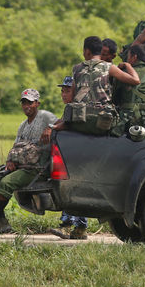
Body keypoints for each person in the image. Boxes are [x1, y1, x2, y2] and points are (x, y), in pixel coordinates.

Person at [0, 88, 57, 240]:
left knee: (6, 184)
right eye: (24, 102)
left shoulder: (45, 116)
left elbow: (59, 124)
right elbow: (15, 146)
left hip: (36, 168)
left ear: (37, 103)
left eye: (30, 103)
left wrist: (51, 129)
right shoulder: (22, 125)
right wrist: (9, 161)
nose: (27, 106)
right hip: (20, 166)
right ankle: (1, 221)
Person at [66, 36, 139, 135]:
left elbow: (71, 97)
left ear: (87, 51)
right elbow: (136, 80)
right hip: (103, 123)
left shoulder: (76, 68)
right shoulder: (109, 67)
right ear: (100, 51)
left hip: (79, 121)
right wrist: (128, 65)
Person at [50, 75, 88, 240]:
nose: (64, 94)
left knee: (70, 188)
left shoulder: (77, 108)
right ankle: (80, 228)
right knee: (77, 189)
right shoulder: (72, 108)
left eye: (67, 91)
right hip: (79, 155)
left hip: (77, 156)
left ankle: (67, 225)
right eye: (62, 91)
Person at [113, 43, 145, 131]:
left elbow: (115, 99)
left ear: (134, 57)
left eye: (128, 56)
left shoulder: (123, 74)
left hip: (125, 122)